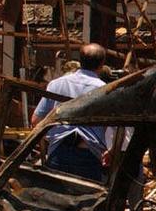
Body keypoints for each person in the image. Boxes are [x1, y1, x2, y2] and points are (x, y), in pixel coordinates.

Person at [31, 43, 109, 182]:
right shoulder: (105, 90)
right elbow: (111, 128)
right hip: (90, 156)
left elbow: (36, 121)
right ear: (102, 64)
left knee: (54, 200)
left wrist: (52, 139)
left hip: (59, 152)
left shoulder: (56, 84)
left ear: (80, 60)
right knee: (87, 201)